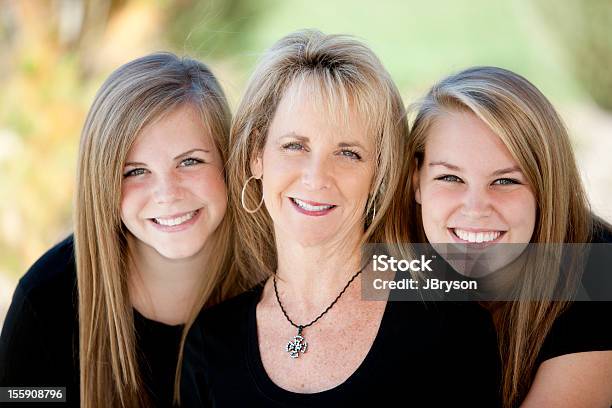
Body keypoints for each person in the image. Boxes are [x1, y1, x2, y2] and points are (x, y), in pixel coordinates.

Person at [180, 30, 502, 407]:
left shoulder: (448, 327)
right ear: (257, 155)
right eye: (295, 146)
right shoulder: (211, 342)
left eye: (348, 153)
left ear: (379, 172)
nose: (317, 177)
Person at [0, 52, 244, 407]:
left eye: (190, 161)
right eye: (135, 171)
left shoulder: (277, 269)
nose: (167, 194)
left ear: (227, 159)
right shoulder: (46, 300)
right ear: (103, 184)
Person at [403, 66, 612, 407]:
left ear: (546, 188)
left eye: (505, 181)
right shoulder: (394, 264)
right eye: (450, 178)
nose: (475, 209)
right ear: (416, 181)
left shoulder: (598, 271)